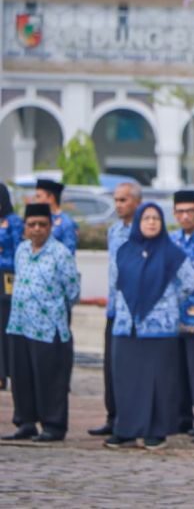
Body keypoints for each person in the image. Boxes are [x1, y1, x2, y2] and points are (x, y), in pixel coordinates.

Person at [107, 203, 194, 450]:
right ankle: (125, 429)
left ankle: (156, 430)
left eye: (156, 218)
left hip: (160, 328)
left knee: (158, 382)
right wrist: (115, 313)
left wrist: (168, 302)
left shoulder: (172, 252)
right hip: (128, 326)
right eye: (146, 218)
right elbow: (114, 284)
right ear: (138, 222)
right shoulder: (124, 251)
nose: (151, 222)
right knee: (128, 380)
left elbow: (191, 283)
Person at [2, 203, 79, 442]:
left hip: (48, 326)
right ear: (25, 227)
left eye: (42, 225)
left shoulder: (60, 253)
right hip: (20, 324)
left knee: (50, 378)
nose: (37, 229)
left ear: (50, 227)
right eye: (32, 224)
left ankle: (53, 425)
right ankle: (25, 422)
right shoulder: (22, 250)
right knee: (21, 376)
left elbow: (73, 291)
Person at [88, 182, 141, 437]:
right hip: (114, 308)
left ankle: (129, 418)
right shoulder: (113, 231)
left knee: (131, 368)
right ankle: (112, 415)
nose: (118, 205)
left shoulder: (144, 230)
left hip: (135, 311)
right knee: (111, 366)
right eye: (116, 200)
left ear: (136, 202)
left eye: (123, 200)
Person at [170, 190, 194, 436]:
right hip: (173, 315)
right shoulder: (170, 240)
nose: (185, 216)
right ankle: (180, 417)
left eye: (190, 211)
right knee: (176, 372)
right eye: (180, 212)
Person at [0, 183, 23, 391]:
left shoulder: (14, 222)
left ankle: (6, 371)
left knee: (5, 322)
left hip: (7, 278)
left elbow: (19, 251)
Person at [33, 179, 77, 255]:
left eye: (38, 197)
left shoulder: (66, 222)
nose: (36, 200)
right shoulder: (36, 220)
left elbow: (69, 253)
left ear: (51, 198)